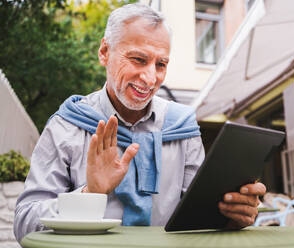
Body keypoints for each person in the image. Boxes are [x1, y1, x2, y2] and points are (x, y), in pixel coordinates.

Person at [14, 3, 266, 242]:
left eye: (161, 64)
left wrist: (231, 215)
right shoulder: (66, 126)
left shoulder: (183, 128)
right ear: (104, 52)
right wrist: (89, 194)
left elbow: (199, 219)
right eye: (138, 60)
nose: (149, 78)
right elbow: (24, 224)